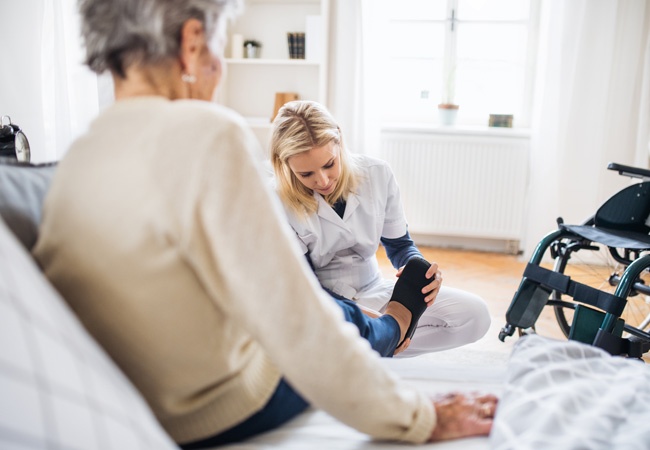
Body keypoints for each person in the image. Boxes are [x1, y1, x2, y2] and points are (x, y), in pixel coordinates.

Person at [32, 0, 497, 447]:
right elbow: (298, 320)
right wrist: (420, 415)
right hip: (226, 408)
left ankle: (389, 329)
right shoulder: (208, 133)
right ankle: (394, 330)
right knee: (337, 317)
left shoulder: (76, 159)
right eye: (218, 47)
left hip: (138, 403)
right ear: (193, 43)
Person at [270, 100, 491, 357]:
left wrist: (419, 272)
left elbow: (400, 246)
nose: (322, 180)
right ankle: (377, 343)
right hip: (322, 303)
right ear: (286, 166)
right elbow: (305, 285)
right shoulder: (274, 200)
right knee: (299, 340)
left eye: (329, 164)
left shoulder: (377, 174)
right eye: (306, 174)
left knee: (476, 316)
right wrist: (369, 320)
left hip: (375, 290)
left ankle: (377, 347)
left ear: (339, 142)